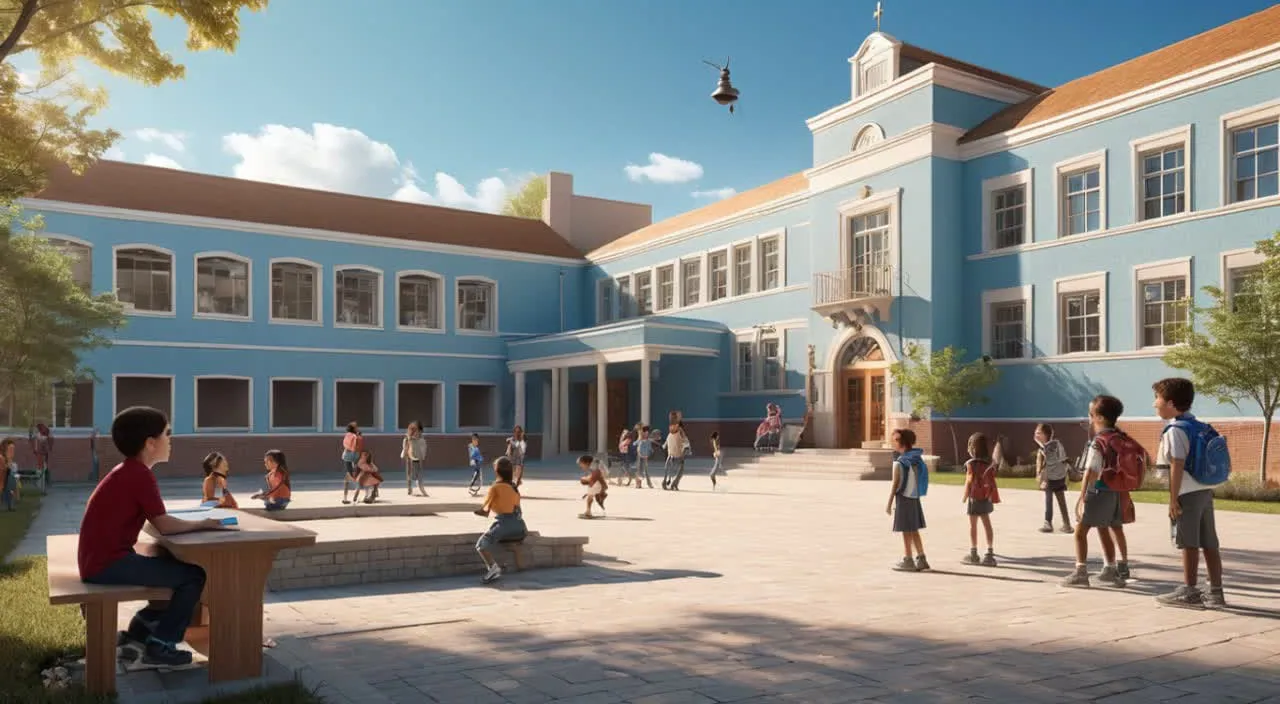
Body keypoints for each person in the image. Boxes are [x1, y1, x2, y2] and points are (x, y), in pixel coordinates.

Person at [79, 406, 232, 668]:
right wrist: (206, 523)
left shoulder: (128, 471)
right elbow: (164, 525)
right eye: (167, 434)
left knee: (167, 564)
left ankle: (142, 627)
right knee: (194, 576)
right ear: (150, 443)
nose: (170, 441)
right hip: (106, 565)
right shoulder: (140, 474)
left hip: (100, 560)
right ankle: (161, 644)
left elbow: (157, 520)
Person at [1152, 377, 1227, 609]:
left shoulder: (1176, 430)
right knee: (1210, 543)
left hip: (1186, 493)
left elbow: (1176, 464)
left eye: (1158, 399)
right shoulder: (1200, 426)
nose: (1155, 404)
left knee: (1189, 543)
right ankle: (1216, 592)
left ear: (1171, 403)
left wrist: (1173, 499)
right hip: (1204, 491)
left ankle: (1190, 590)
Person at [1061, 395, 1136, 589]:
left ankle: (1080, 572)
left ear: (1100, 418)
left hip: (1099, 490)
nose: (1089, 417)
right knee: (1104, 528)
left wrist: (1082, 496)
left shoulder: (1099, 441)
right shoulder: (1121, 438)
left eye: (1091, 413)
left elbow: (1091, 471)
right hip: (1116, 492)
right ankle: (1110, 570)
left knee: (1080, 531)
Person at [473, 456, 527, 584]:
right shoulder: (514, 487)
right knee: (510, 539)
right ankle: (521, 568)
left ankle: (493, 568)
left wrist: (478, 511)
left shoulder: (495, 487)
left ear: (496, 471)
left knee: (481, 545)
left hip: (504, 525)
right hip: (520, 528)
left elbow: (484, 510)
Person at [886, 428, 930, 572]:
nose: (893, 443)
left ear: (901, 442)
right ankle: (921, 558)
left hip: (903, 498)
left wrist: (889, 503)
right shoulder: (916, 458)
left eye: (895, 440)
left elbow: (895, 484)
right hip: (914, 497)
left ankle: (908, 559)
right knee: (914, 529)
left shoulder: (899, 462)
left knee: (906, 530)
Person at [961, 433, 999, 567]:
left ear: (973, 448)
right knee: (987, 524)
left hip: (974, 498)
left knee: (973, 525)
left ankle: (974, 553)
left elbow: (969, 480)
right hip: (986, 497)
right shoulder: (990, 463)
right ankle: (989, 553)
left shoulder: (971, 464)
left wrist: (965, 496)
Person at [1034, 423, 1072, 533]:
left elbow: (1050, 459)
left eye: (1038, 433)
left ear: (1046, 435)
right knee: (1060, 500)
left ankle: (1048, 523)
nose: (1035, 435)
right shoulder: (1055, 444)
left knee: (1049, 499)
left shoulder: (1049, 446)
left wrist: (1041, 445)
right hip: (1058, 476)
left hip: (1052, 477)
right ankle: (1066, 524)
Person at [402, 421, 428, 497]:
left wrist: (422, 457)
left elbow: (423, 448)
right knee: (410, 473)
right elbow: (406, 448)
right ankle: (410, 488)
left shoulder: (421, 439)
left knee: (419, 472)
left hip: (419, 457)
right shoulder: (408, 439)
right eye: (417, 432)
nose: (418, 434)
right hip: (410, 457)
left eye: (420, 432)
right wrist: (406, 454)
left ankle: (420, 487)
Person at [578, 454, 608, 519]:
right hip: (598, 480)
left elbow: (598, 476)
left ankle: (588, 513)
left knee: (590, 496)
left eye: (581, 464)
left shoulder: (594, 467)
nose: (581, 466)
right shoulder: (595, 463)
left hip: (597, 481)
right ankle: (600, 496)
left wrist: (587, 481)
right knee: (590, 495)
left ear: (585, 462)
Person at [340, 422, 363, 504]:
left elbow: (346, 445)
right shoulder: (355, 436)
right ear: (353, 429)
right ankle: (354, 497)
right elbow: (356, 448)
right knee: (353, 477)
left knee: (348, 477)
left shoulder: (348, 435)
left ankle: (346, 498)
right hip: (353, 458)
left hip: (347, 457)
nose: (357, 428)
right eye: (356, 427)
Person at [662, 419, 688, 491]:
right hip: (676, 456)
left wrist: (664, 446)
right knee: (679, 471)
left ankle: (670, 483)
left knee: (671, 470)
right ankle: (673, 483)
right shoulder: (679, 433)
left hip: (673, 456)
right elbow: (686, 444)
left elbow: (665, 445)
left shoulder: (671, 434)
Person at [1, 438, 18, 511]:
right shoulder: (1, 459)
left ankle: (10, 505)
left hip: (9, 480)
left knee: (11, 487)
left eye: (13, 450)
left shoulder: (12, 463)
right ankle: (5, 505)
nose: (12, 452)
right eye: (10, 449)